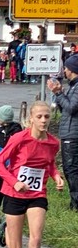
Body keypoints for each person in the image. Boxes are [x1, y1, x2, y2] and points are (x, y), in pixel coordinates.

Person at [0, 101, 64, 248]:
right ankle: (6, 226)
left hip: (37, 194)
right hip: (14, 193)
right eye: (39, 116)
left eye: (47, 116)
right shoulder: (19, 138)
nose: (43, 120)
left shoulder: (53, 143)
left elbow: (49, 164)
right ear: (31, 118)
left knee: (36, 239)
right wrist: (14, 181)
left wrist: (56, 177)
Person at [48, 54, 78, 211]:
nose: (64, 71)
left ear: (72, 69)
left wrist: (59, 94)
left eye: (66, 68)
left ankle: (76, 205)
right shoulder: (73, 86)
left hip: (73, 135)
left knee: (71, 169)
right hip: (69, 132)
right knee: (70, 169)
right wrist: (59, 93)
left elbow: (72, 108)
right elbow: (65, 109)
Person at [0, 105, 22, 226]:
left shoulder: (17, 131)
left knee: (9, 190)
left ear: (3, 119)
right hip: (1, 165)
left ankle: (8, 214)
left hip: (13, 166)